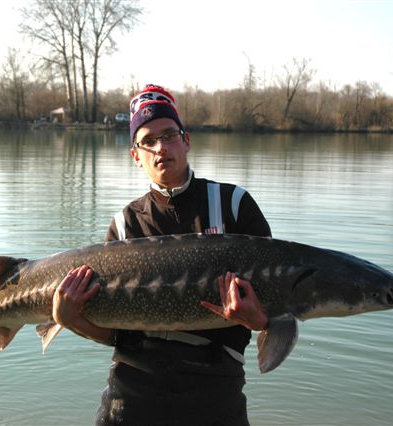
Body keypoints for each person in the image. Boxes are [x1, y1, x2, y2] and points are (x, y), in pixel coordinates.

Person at [53, 85, 272, 425]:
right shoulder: (123, 225)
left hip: (215, 389)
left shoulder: (233, 205)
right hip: (132, 393)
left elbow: (277, 303)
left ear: (186, 140)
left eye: (169, 135)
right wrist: (70, 319)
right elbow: (115, 334)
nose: (161, 148)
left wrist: (260, 320)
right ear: (135, 156)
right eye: (148, 141)